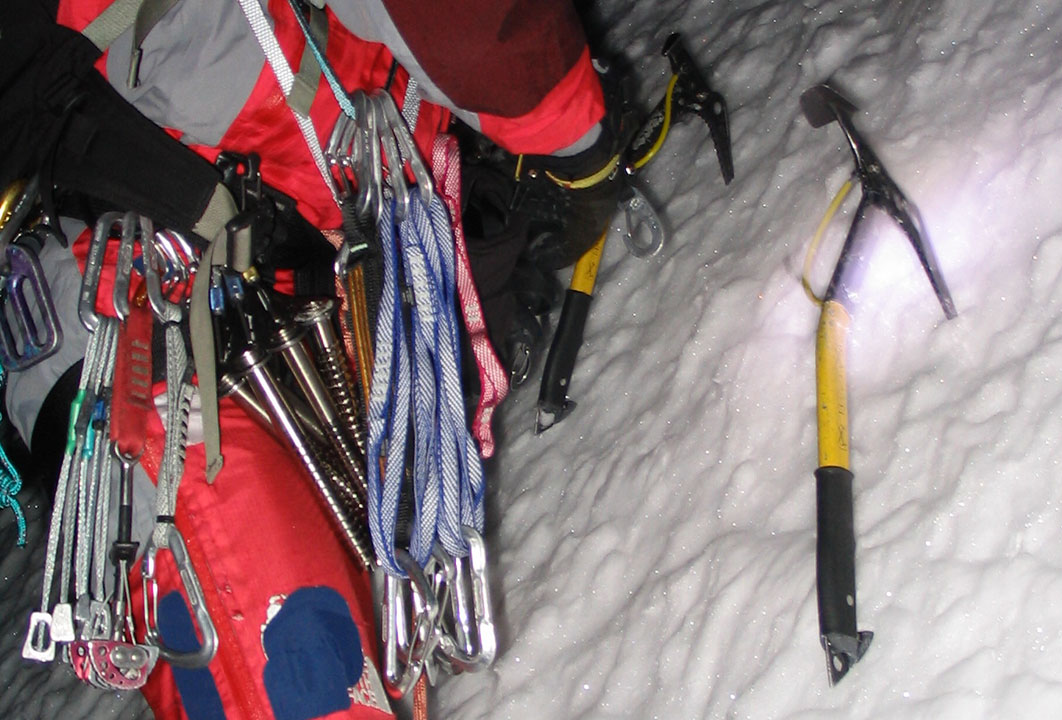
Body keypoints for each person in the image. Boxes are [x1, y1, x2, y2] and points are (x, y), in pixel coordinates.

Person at [0, 1, 625, 718]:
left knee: (269, 620)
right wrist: (576, 138)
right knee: (283, 631)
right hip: (184, 253)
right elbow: (466, 26)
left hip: (77, 320)